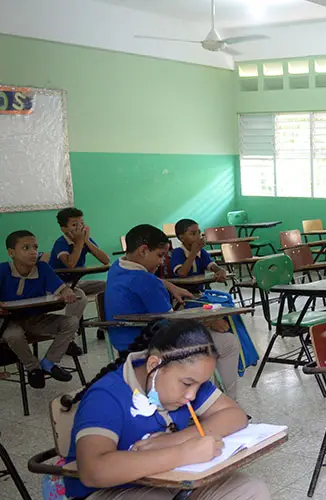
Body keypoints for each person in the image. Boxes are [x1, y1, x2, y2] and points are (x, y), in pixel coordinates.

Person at [62, 319, 270, 500]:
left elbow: (235, 416)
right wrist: (183, 453)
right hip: (114, 491)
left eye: (200, 384)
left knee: (250, 491)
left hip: (172, 484)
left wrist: (175, 440)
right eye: (187, 383)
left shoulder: (188, 381)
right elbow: (93, 470)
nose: (192, 395)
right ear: (155, 364)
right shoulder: (107, 395)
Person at [105, 224, 241, 395]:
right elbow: (172, 326)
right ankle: (226, 400)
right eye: (160, 256)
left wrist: (167, 283)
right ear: (143, 250)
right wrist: (208, 321)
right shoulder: (147, 281)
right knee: (228, 343)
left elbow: (137, 280)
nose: (162, 262)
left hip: (122, 342)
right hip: (151, 346)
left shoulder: (117, 268)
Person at [0, 230, 81, 388]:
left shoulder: (42, 268)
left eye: (35, 247)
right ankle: (33, 368)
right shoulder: (2, 270)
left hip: (34, 319)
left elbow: (61, 288)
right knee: (14, 335)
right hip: (7, 322)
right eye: (26, 248)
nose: (33, 252)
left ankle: (49, 362)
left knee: (71, 322)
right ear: (11, 253)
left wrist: (67, 292)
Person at [50, 207, 111, 296]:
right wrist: (79, 242)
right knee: (79, 294)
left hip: (77, 282)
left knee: (108, 286)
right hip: (59, 284)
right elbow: (71, 264)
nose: (80, 227)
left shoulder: (85, 240)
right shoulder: (61, 243)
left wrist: (86, 241)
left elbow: (106, 260)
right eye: (74, 225)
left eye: (82, 223)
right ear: (64, 229)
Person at [170, 218, 229, 288]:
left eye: (199, 233)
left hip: (199, 293)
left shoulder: (201, 252)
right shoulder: (178, 252)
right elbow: (182, 273)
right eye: (193, 234)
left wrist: (221, 271)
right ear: (181, 238)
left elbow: (212, 266)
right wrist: (194, 252)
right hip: (182, 295)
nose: (198, 236)